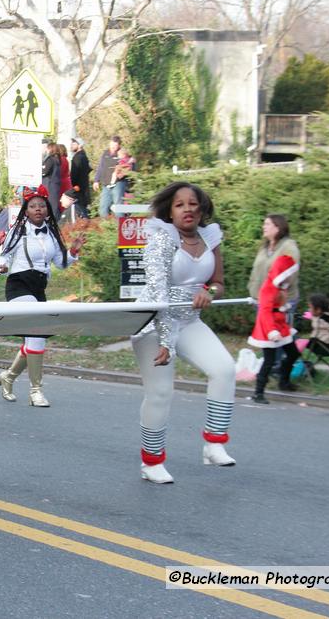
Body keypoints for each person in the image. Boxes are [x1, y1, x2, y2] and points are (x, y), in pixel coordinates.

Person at [130, 182, 236, 484]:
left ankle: (214, 444)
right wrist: (166, 342)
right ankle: (151, 463)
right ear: (170, 211)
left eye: (193, 203)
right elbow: (158, 293)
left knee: (225, 369)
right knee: (161, 392)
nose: (188, 209)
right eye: (180, 204)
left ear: (201, 208)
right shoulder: (161, 239)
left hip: (189, 321)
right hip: (152, 323)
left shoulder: (210, 238)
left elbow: (218, 282)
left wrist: (209, 291)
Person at [0, 186, 84, 405]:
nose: (38, 210)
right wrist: (2, 266)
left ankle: (9, 376)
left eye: (42, 206)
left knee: (35, 337)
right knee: (36, 332)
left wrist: (72, 252)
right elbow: (4, 256)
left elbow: (60, 264)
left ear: (47, 209)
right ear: (26, 210)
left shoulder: (52, 232)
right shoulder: (18, 231)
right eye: (33, 206)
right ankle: (36, 391)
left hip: (38, 289)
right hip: (18, 285)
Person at [247, 214, 301, 381]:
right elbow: (256, 271)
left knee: (280, 338)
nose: (264, 227)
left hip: (280, 301)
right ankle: (272, 371)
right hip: (261, 300)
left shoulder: (288, 247)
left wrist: (277, 293)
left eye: (268, 224)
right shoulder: (265, 248)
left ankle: (281, 371)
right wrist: (253, 290)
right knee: (268, 340)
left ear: (278, 227)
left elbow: (290, 270)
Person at [248, 254, 301, 402]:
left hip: (280, 325)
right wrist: (272, 331)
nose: (291, 277)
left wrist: (284, 307)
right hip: (268, 328)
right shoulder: (268, 288)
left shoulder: (280, 286)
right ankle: (258, 393)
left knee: (293, 353)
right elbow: (265, 311)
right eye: (289, 273)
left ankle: (283, 382)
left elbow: (277, 305)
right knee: (269, 360)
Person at [93, 136, 123, 217]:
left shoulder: (122, 154)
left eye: (115, 146)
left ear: (119, 146)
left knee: (118, 206)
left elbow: (129, 164)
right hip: (106, 184)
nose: (113, 147)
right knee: (103, 206)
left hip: (118, 183)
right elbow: (101, 167)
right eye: (112, 145)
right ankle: (105, 225)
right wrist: (96, 180)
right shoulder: (105, 153)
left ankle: (119, 225)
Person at [70, 138, 92, 219]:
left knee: (81, 213)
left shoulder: (78, 157)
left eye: (74, 144)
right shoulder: (83, 156)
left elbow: (74, 174)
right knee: (82, 211)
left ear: (80, 145)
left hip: (79, 189)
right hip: (82, 189)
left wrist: (74, 185)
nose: (71, 145)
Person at [41, 142, 61, 221]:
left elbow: (44, 171)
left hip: (49, 186)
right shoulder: (57, 159)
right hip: (54, 186)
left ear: (51, 149)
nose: (46, 150)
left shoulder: (50, 159)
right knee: (53, 206)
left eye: (47, 148)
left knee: (50, 207)